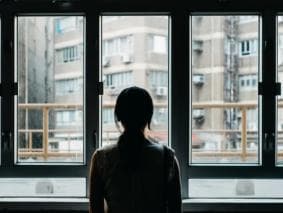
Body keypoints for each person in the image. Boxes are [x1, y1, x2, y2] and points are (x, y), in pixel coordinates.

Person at [89, 86, 182, 213]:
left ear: (119, 117)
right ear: (148, 117)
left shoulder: (101, 158)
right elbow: (175, 210)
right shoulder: (167, 158)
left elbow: (96, 210)